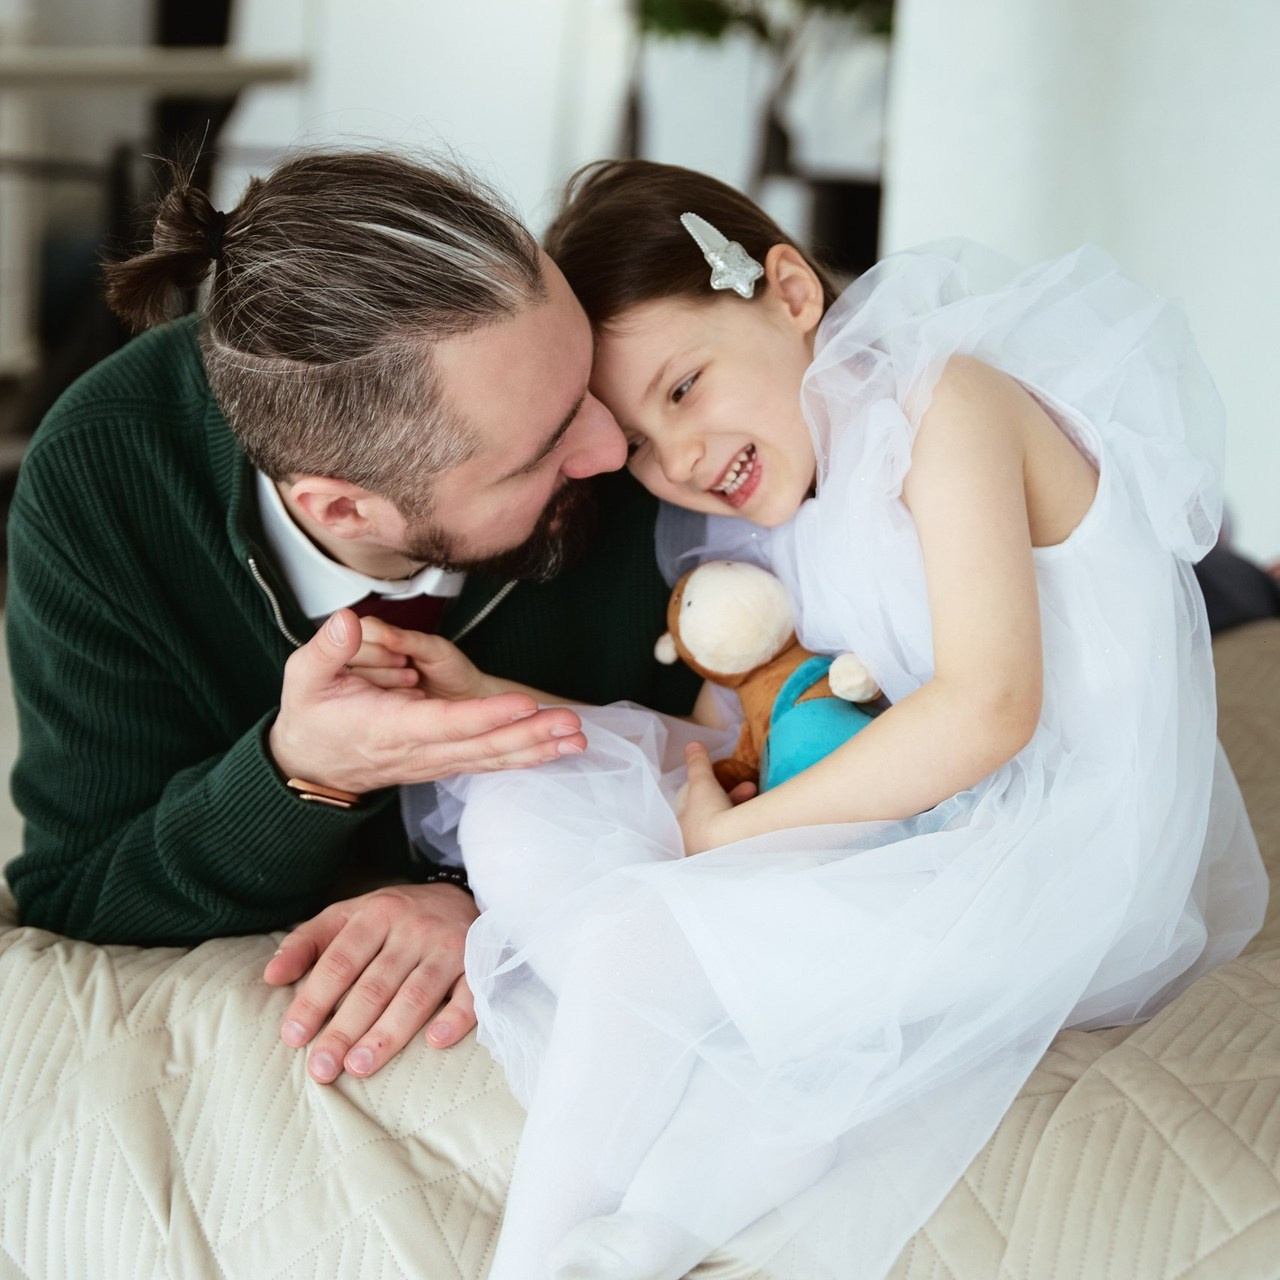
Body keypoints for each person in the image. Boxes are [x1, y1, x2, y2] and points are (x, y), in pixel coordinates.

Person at [385, 160, 1267, 1278]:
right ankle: (631, 1219)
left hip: (1052, 857)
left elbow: (989, 708)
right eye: (641, 448)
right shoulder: (777, 506)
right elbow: (741, 751)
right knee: (514, 809)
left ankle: (560, 1247)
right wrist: (509, 711)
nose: (681, 459)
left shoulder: (946, 405)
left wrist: (727, 843)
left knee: (638, 934)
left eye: (685, 386)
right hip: (897, 827)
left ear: (789, 293)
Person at [3, 151, 697, 1087]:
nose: (618, 447)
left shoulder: (647, 413)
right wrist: (300, 774)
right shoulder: (103, 479)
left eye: (587, 383)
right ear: (344, 511)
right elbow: (80, 887)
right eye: (541, 450)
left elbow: (781, 759)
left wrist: (491, 899)